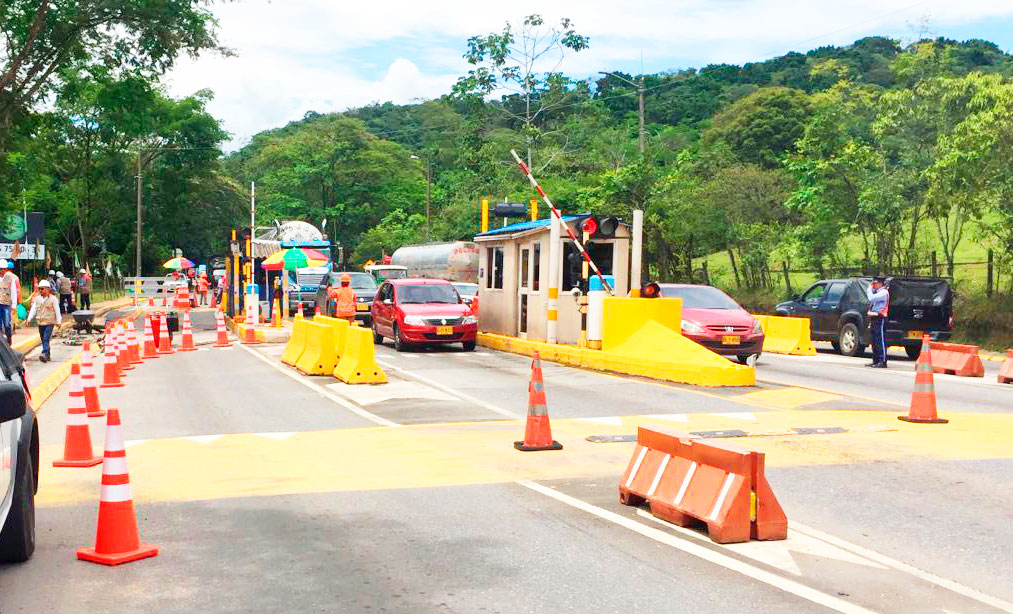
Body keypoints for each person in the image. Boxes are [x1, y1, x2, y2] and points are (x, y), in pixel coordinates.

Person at [27, 279, 60, 362]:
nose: (40, 290)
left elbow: (57, 310)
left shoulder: (53, 299)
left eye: (42, 289)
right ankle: (47, 354)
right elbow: (33, 309)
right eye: (39, 289)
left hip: (49, 322)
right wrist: (29, 319)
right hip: (40, 323)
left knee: (45, 338)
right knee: (43, 339)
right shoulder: (37, 299)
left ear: (48, 289)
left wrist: (59, 321)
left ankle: (44, 353)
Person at [866, 276, 890, 368]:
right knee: (874, 340)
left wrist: (869, 289)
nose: (873, 285)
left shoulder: (883, 293)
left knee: (880, 340)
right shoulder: (877, 292)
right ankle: (875, 360)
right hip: (874, 317)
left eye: (875, 283)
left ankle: (882, 360)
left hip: (880, 318)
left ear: (880, 283)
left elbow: (871, 299)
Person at [0, 259, 19, 346]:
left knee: (7, 323)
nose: (2, 271)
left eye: (4, 269)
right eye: (0, 269)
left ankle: (9, 337)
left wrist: (14, 305)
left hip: (6, 305)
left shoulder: (10, 279)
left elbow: (14, 292)